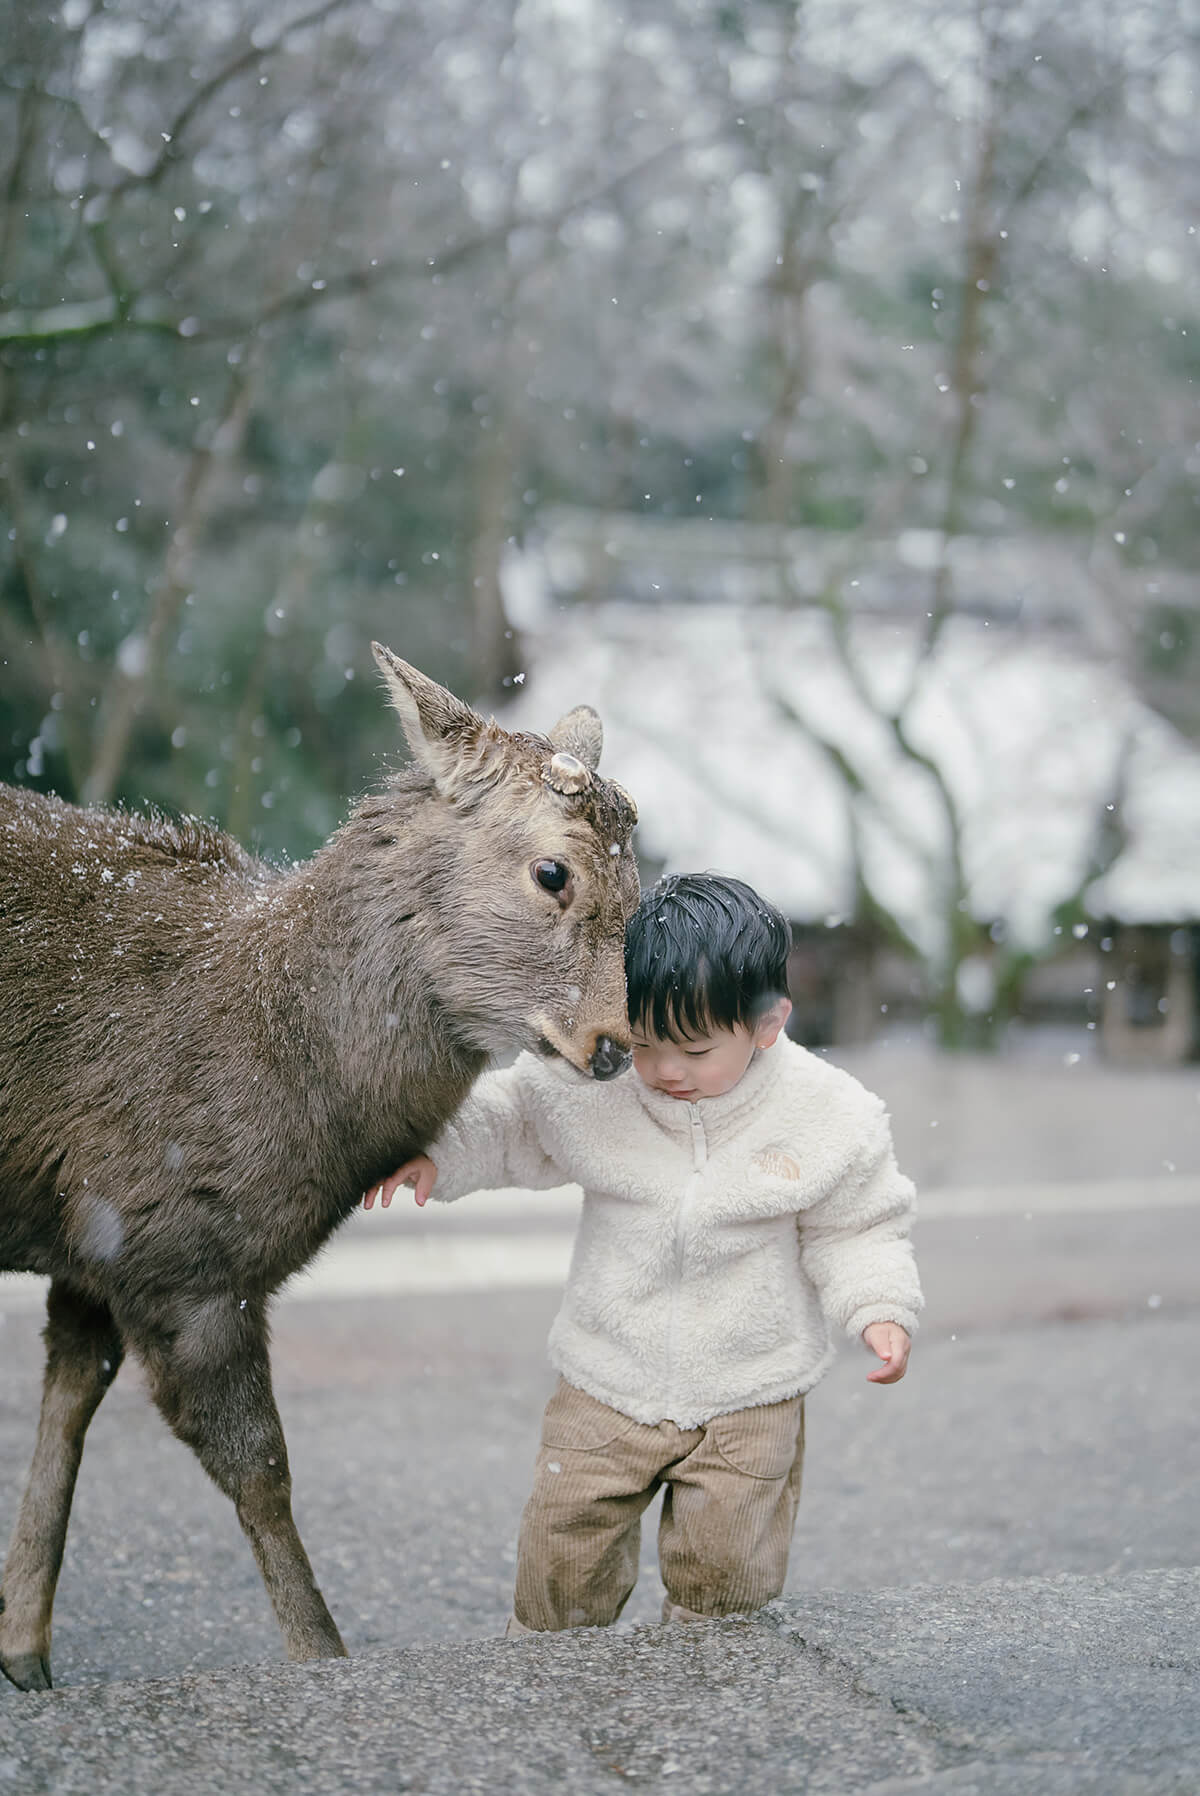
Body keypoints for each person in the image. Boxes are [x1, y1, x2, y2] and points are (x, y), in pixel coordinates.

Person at [365, 872, 923, 1633]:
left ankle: (704, 1669)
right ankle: (551, 1666)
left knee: (727, 1572)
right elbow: (515, 1119)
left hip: (750, 1389)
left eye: (693, 1050)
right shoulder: (605, 1084)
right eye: (646, 1043)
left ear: (767, 1024)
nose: (664, 1071)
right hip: (608, 1375)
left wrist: (879, 1307)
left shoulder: (830, 1116)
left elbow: (857, 1227)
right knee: (565, 1546)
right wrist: (439, 1153)